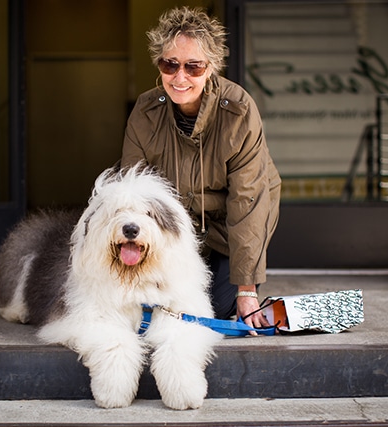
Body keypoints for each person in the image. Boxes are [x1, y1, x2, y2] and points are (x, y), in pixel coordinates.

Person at [120, 6, 281, 333]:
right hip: (175, 235)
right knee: (159, 309)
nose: (180, 77)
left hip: (227, 231)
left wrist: (247, 290)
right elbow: (132, 193)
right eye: (170, 64)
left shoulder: (238, 111)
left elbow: (247, 204)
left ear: (211, 67)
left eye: (193, 67)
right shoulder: (145, 111)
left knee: (215, 310)